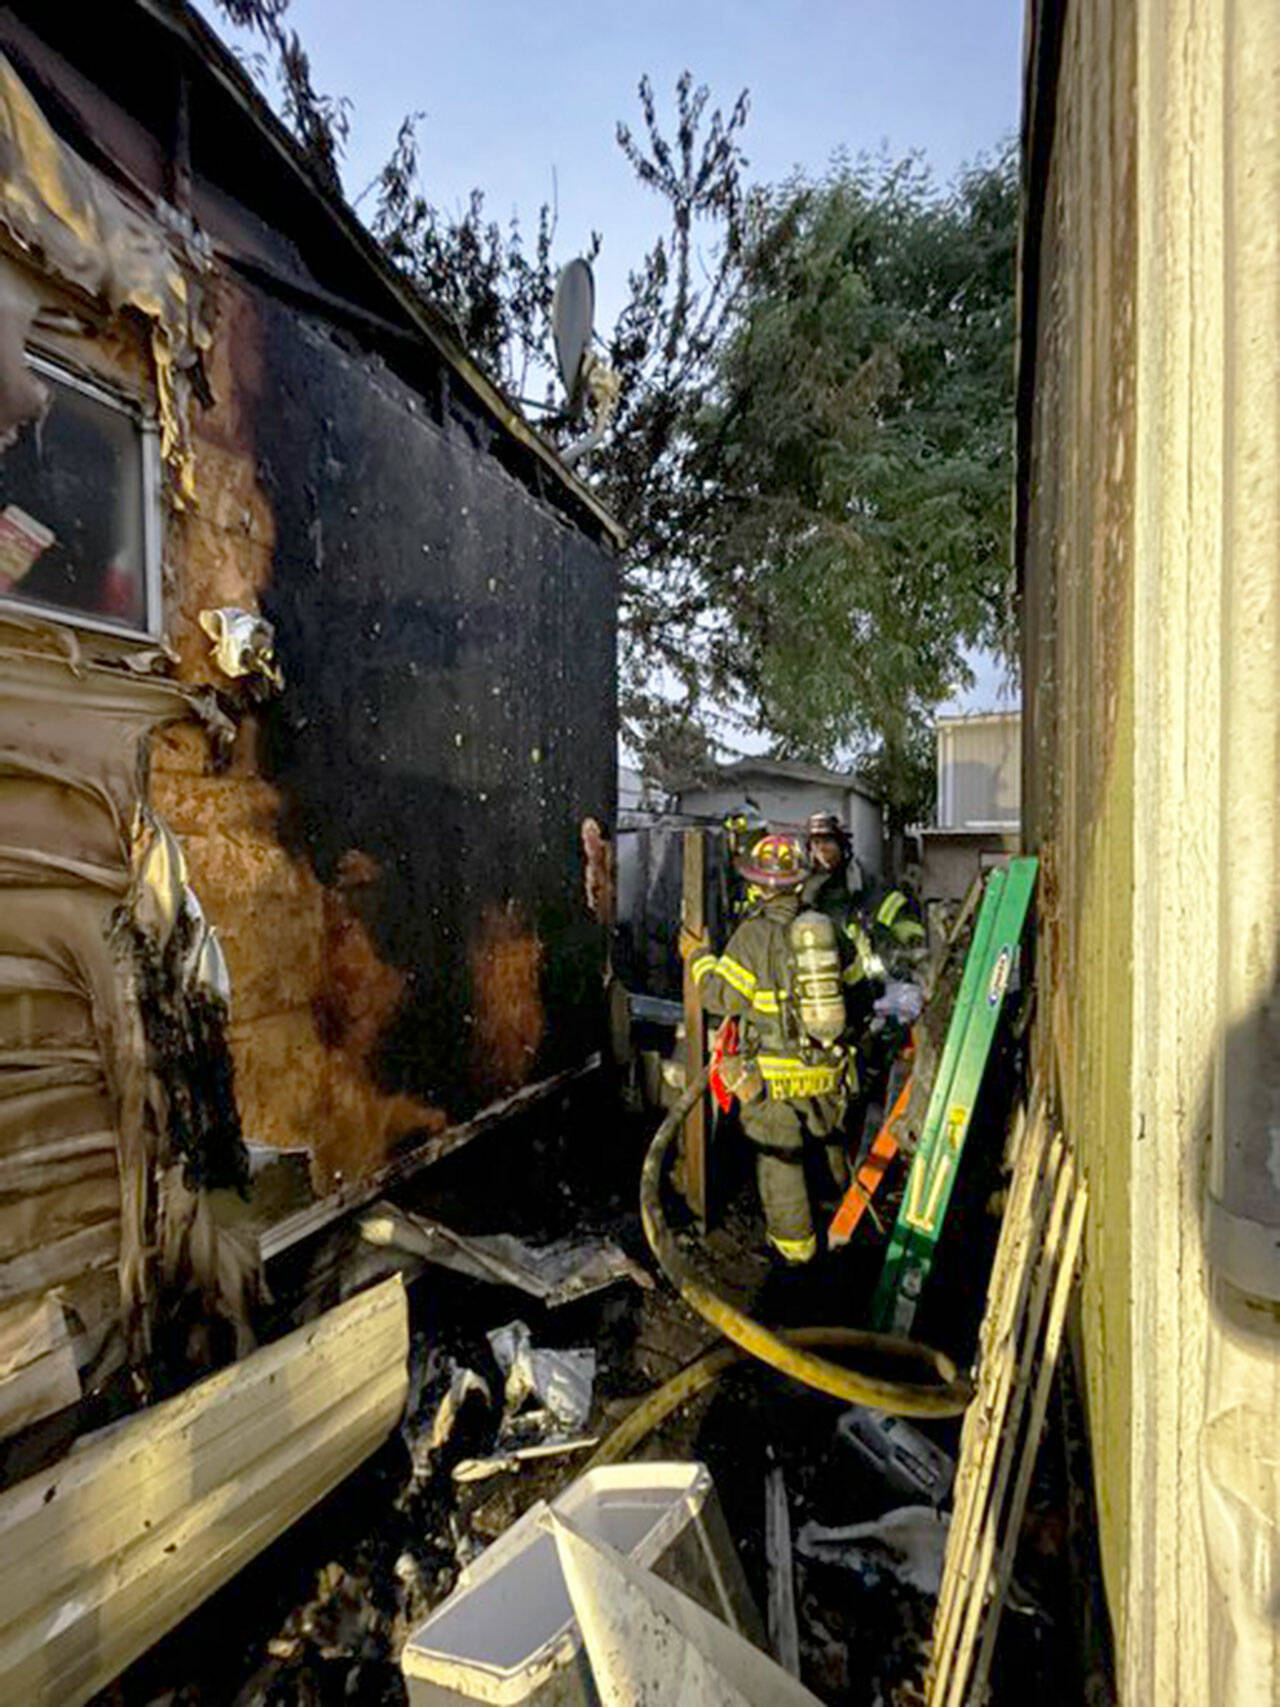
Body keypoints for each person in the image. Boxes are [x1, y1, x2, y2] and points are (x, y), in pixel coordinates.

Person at [681, 832, 852, 1265]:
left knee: (782, 1165)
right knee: (825, 1144)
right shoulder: (828, 930)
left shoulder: (752, 936)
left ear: (758, 886)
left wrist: (698, 957)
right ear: (799, 883)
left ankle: (795, 1263)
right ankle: (841, 1229)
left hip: (774, 1082)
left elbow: (720, 998)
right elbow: (861, 993)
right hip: (827, 1073)